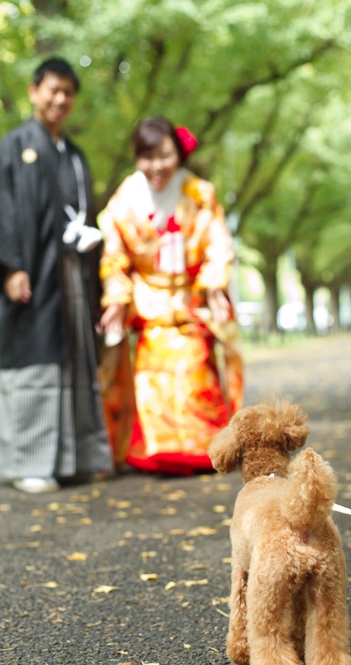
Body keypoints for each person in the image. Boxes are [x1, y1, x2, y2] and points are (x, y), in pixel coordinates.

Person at [0, 56, 113, 494]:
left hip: (72, 275)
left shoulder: (72, 154)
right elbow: (2, 211)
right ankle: (29, 462)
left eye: (68, 93)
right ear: (34, 91)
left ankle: (77, 459)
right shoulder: (14, 146)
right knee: (36, 364)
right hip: (32, 274)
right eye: (52, 89)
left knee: (75, 359)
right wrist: (13, 267)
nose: (60, 99)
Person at [96, 116, 244, 475]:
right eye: (147, 157)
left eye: (164, 155)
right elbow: (114, 257)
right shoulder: (123, 201)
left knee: (195, 373)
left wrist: (213, 284)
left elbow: (218, 245)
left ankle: (203, 448)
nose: (156, 166)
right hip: (150, 307)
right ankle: (155, 450)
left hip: (190, 302)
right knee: (152, 379)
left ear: (178, 153)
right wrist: (116, 299)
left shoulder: (199, 194)